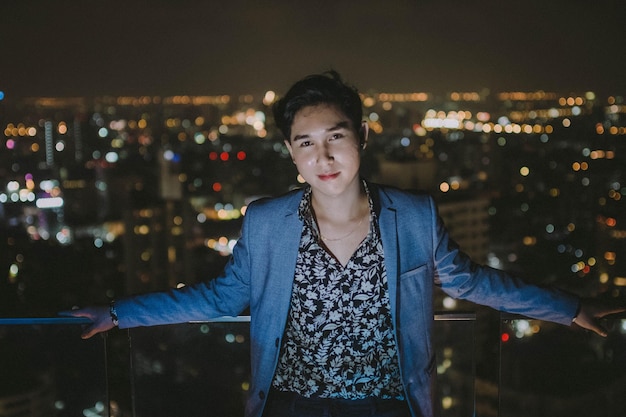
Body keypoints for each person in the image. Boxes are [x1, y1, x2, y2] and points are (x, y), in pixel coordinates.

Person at [61, 71, 624, 417]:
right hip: (291, 405)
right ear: (291, 154)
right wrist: (119, 314)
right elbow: (220, 297)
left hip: (387, 406)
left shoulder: (414, 217)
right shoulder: (266, 222)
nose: (322, 156)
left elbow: (474, 282)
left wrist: (571, 308)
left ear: (362, 137)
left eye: (335, 137)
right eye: (305, 143)